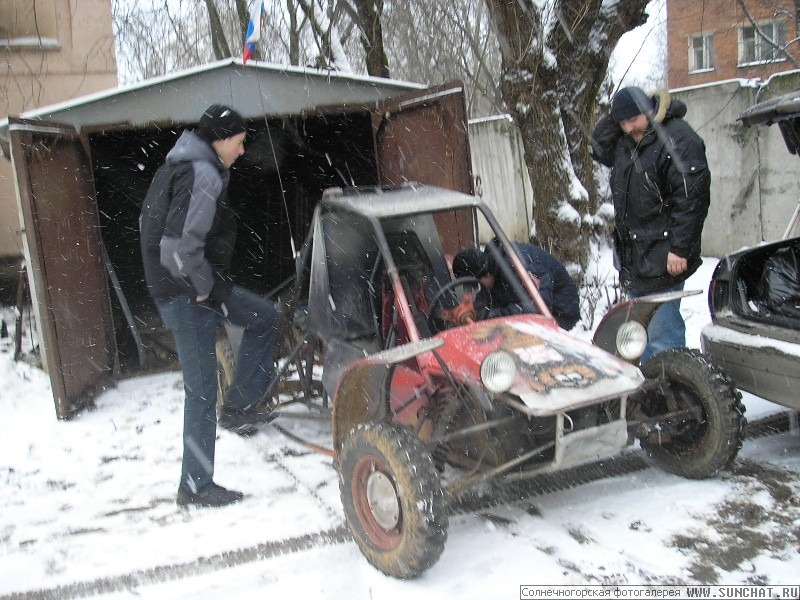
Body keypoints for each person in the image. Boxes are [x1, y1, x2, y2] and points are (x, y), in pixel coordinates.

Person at [140, 104, 279, 508]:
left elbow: (151, 227)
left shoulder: (182, 164)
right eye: (238, 143)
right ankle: (196, 485)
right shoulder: (200, 173)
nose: (241, 151)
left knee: (263, 317)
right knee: (200, 391)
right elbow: (177, 251)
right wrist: (206, 287)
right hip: (186, 293)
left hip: (186, 286)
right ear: (219, 139)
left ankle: (238, 408)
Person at [591, 86, 711, 363]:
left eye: (633, 119)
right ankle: (650, 396)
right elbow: (598, 147)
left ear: (650, 110)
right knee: (639, 338)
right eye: (622, 123)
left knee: (664, 338)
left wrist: (681, 248)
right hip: (636, 258)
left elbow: (692, 199)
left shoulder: (677, 138)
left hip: (663, 255)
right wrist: (617, 116)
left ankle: (675, 394)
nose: (628, 128)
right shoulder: (627, 142)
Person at [452, 241, 581, 331]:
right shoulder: (495, 268)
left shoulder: (522, 269)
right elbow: (490, 297)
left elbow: (540, 309)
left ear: (485, 273)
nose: (476, 289)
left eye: (476, 285)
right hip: (529, 302)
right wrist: (476, 312)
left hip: (560, 312)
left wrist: (497, 314)